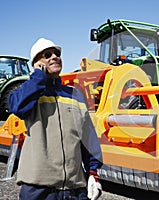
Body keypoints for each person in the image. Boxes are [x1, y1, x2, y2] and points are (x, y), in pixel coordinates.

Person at [9, 38, 103, 200]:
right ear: (37, 63)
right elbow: (18, 107)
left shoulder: (75, 94)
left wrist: (93, 173)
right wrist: (38, 77)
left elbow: (88, 137)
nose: (54, 57)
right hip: (38, 189)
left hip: (75, 189)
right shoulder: (29, 93)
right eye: (47, 54)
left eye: (57, 53)